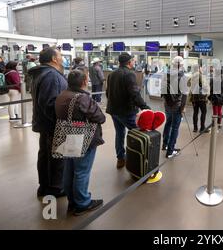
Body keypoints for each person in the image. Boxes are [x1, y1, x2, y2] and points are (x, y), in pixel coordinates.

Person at [55, 68, 105, 216]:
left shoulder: (62, 95)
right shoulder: (81, 98)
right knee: (82, 171)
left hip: (65, 137)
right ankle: (82, 203)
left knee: (69, 170)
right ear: (84, 82)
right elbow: (100, 117)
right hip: (83, 138)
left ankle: (73, 201)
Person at [29, 47, 68, 198]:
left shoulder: (40, 74)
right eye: (60, 55)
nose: (62, 57)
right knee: (56, 157)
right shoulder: (51, 75)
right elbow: (50, 104)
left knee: (45, 155)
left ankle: (45, 186)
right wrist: (61, 124)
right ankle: (55, 188)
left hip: (44, 123)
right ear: (53, 59)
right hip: (53, 125)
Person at [106, 53, 150, 169]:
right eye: (133, 60)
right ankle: (139, 160)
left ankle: (120, 159)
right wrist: (145, 107)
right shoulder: (129, 74)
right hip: (126, 111)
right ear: (129, 62)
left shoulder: (112, 74)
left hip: (114, 111)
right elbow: (134, 94)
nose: (134, 62)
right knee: (139, 133)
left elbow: (107, 93)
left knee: (119, 134)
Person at [161, 56, 187, 158]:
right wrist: (182, 108)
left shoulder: (166, 74)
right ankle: (170, 151)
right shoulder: (182, 76)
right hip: (177, 105)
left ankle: (165, 145)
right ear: (180, 65)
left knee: (168, 124)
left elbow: (163, 90)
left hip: (167, 103)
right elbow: (184, 94)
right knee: (175, 128)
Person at [189, 64, 210, 133]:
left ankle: (195, 128)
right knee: (203, 112)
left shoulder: (191, 76)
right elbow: (205, 86)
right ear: (198, 68)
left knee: (195, 112)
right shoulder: (201, 76)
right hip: (202, 98)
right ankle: (202, 128)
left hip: (194, 97)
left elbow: (188, 84)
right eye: (200, 68)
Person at [208, 65, 223, 130]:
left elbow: (211, 89)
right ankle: (219, 123)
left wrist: (210, 97)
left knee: (215, 111)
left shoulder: (213, 79)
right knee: (219, 110)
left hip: (215, 97)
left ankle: (214, 125)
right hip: (221, 97)